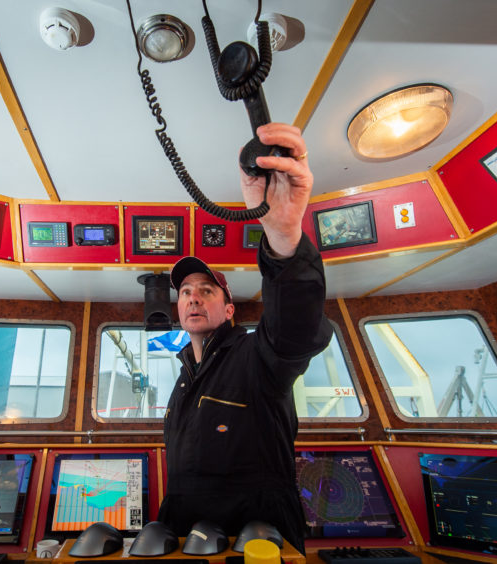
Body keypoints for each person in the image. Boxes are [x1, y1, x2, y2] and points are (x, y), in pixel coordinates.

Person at [158, 123, 333, 555]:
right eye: (184, 292)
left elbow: (295, 331)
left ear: (229, 309)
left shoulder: (256, 356)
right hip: (185, 530)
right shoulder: (185, 375)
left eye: (206, 291)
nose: (193, 297)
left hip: (256, 537)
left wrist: (284, 236)